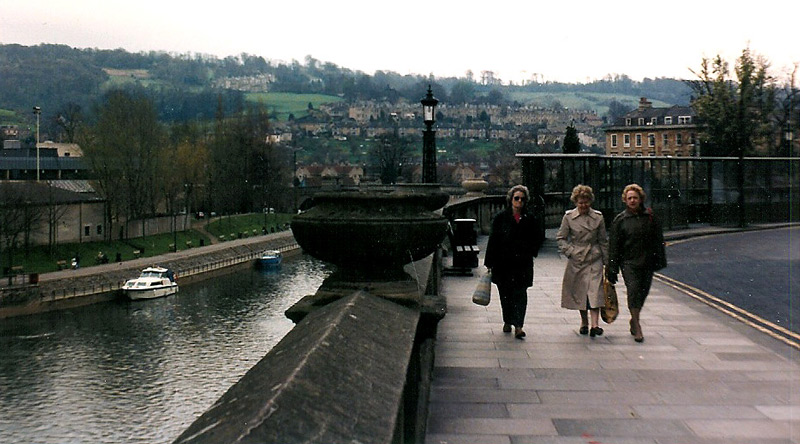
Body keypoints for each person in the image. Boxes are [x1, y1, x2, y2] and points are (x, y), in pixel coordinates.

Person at [484, 184, 545, 339]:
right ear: (511, 199)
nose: (519, 201)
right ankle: (507, 320)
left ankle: (518, 325)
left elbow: (537, 238)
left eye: (522, 199)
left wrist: (531, 251)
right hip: (503, 263)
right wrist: (489, 261)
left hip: (522, 263)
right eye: (516, 198)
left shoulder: (530, 218)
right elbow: (493, 240)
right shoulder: (500, 218)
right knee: (505, 294)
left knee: (520, 294)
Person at [607, 184, 666, 343]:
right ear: (625, 200)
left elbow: (658, 240)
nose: (632, 200)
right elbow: (614, 246)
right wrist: (611, 268)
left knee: (643, 292)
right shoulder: (620, 220)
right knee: (633, 290)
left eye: (635, 198)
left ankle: (634, 318)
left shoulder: (650, 217)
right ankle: (637, 325)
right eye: (629, 198)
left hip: (647, 262)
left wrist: (660, 260)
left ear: (641, 199)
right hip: (629, 263)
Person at [556, 185, 608, 337]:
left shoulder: (598, 217)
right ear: (575, 202)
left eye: (586, 202)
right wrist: (570, 252)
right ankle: (584, 322)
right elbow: (561, 238)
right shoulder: (569, 217)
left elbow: (603, 240)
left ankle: (595, 325)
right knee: (581, 292)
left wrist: (607, 261)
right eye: (580, 202)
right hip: (577, 259)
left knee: (595, 290)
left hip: (594, 257)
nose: (583, 205)